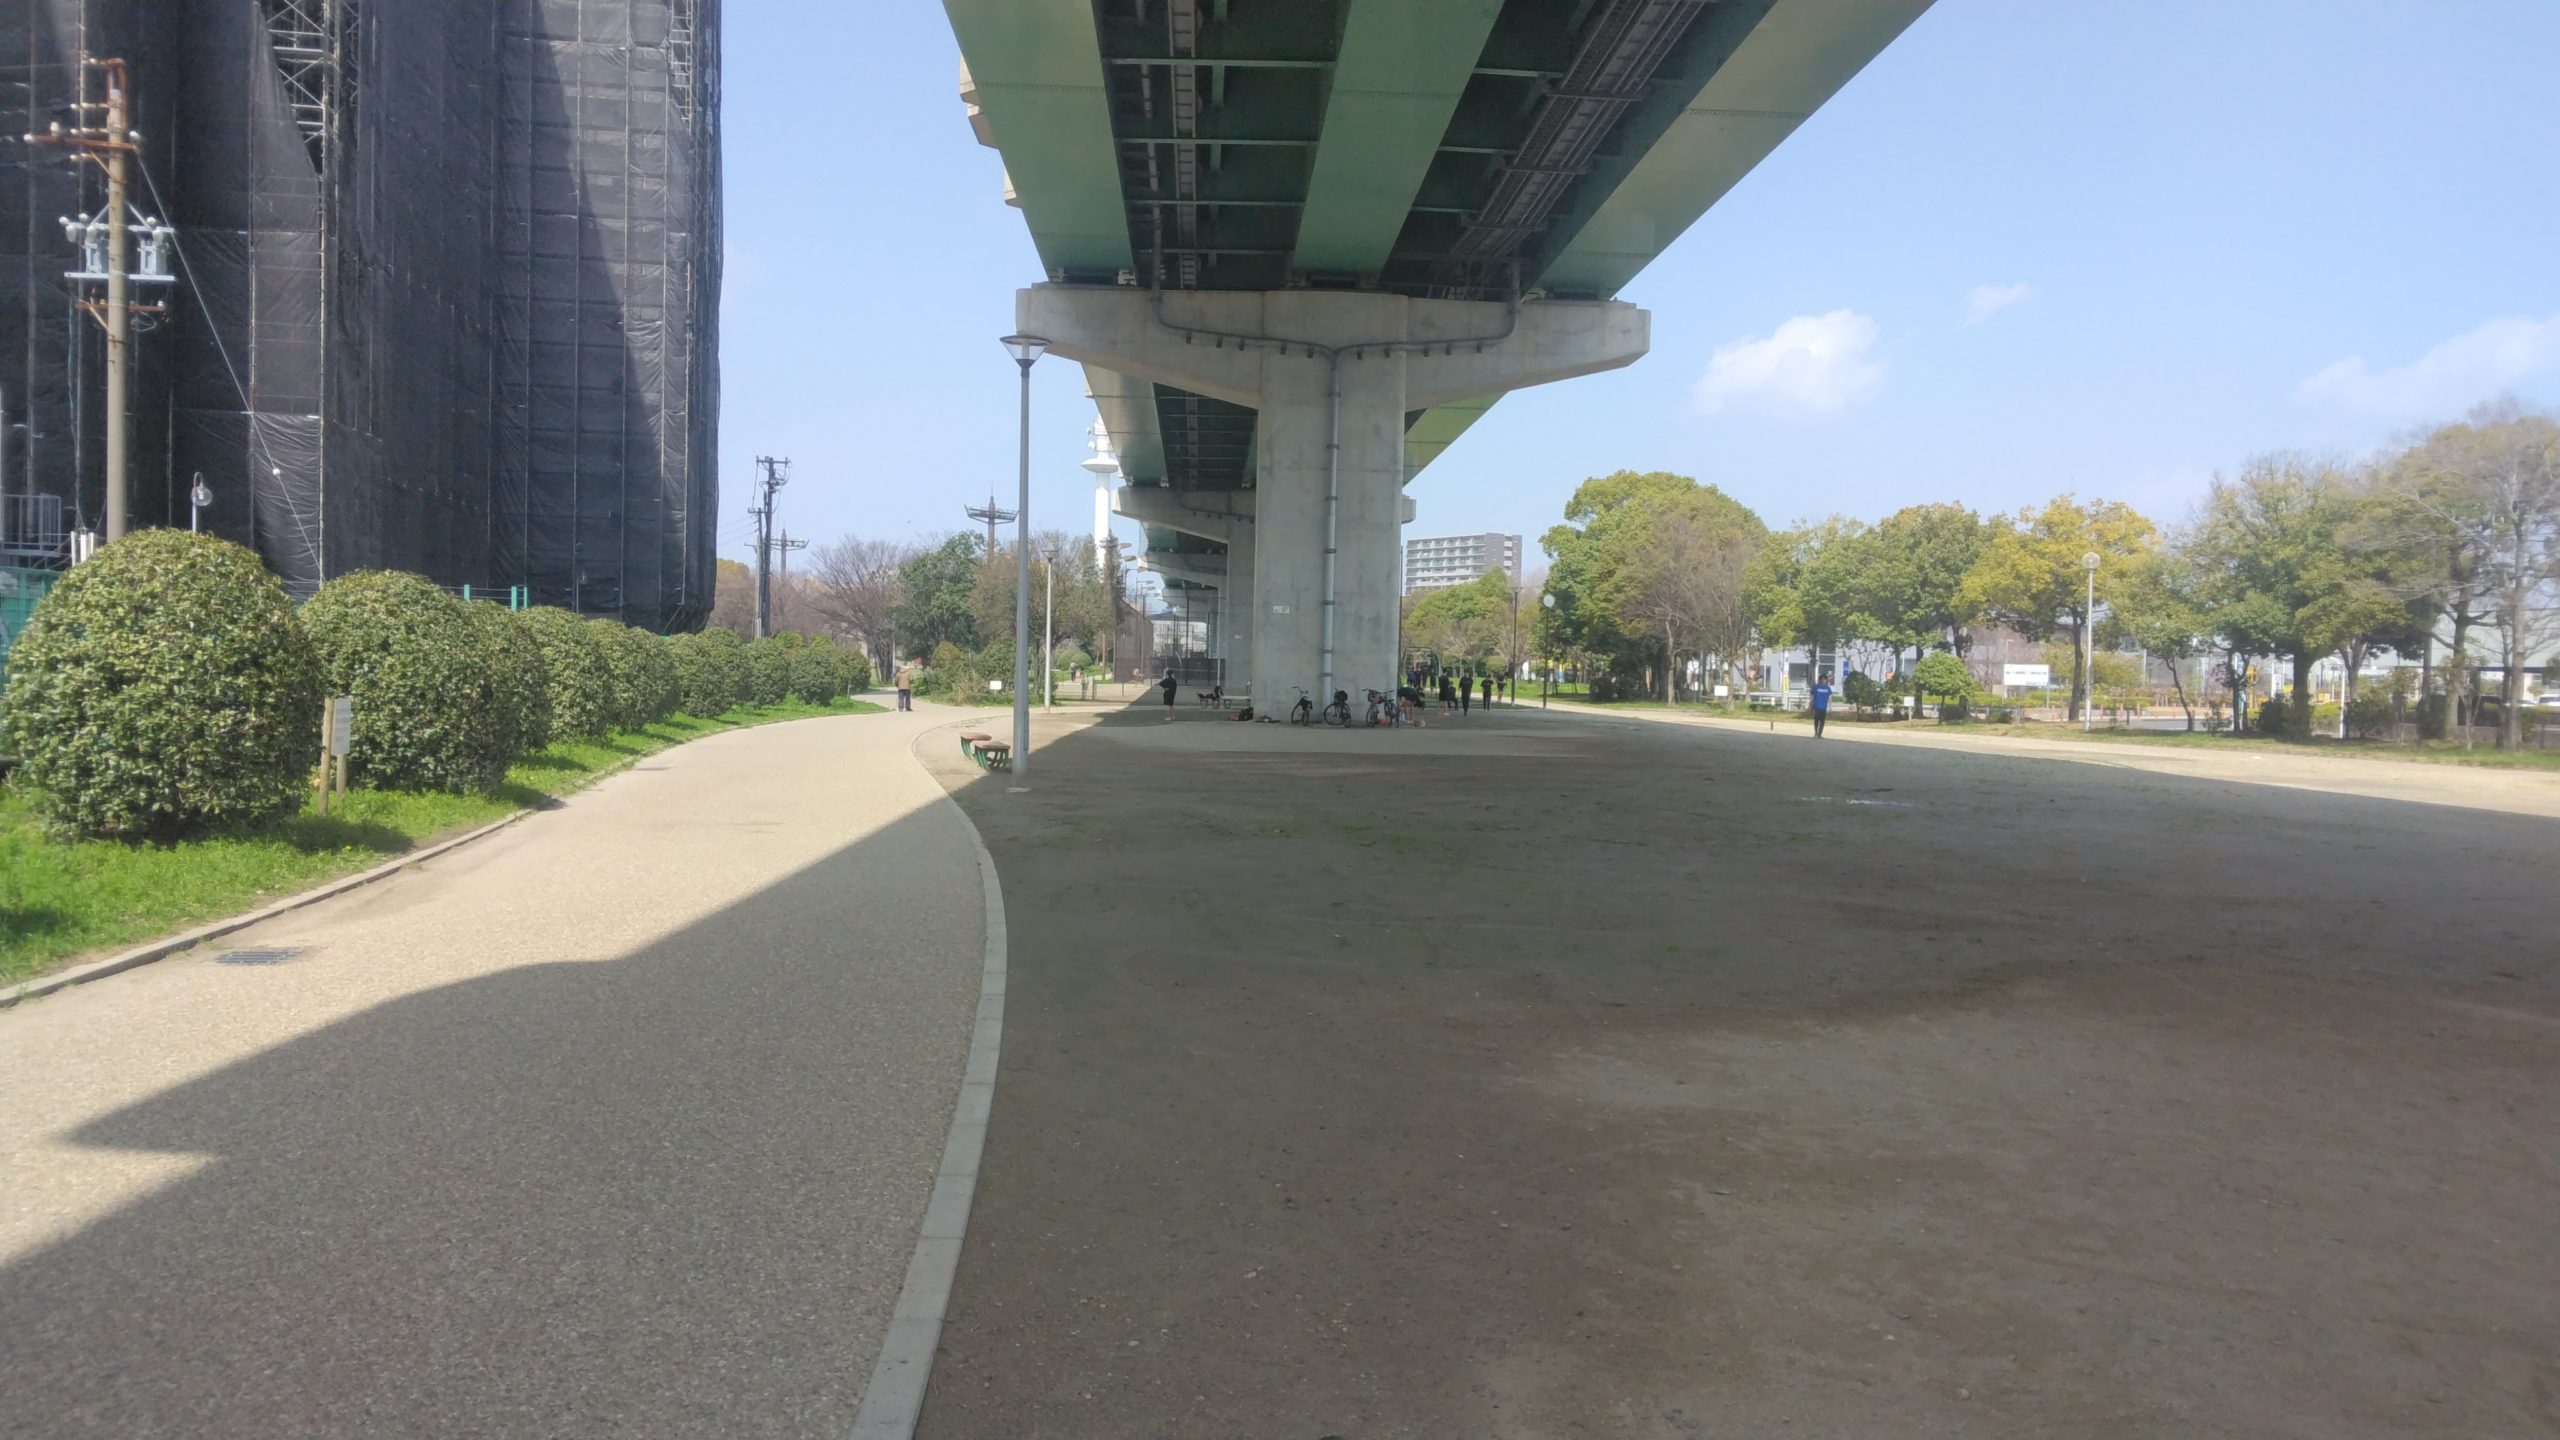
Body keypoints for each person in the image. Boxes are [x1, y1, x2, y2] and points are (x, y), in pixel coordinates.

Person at [1809, 670, 1833, 738]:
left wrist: (1830, 707)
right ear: (1820, 679)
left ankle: (1819, 734)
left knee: (1822, 721)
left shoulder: (1827, 688)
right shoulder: (1815, 687)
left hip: (1824, 707)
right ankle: (1816, 733)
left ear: (1826, 680)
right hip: (1816, 707)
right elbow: (1812, 698)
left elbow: (1829, 698)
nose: (1823, 680)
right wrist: (1810, 706)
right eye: (1822, 679)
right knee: (1816, 720)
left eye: (1825, 679)